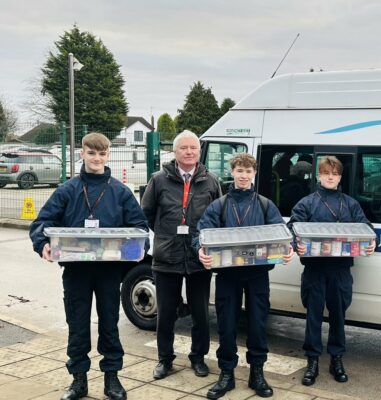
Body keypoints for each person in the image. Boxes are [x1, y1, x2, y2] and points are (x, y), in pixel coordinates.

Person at [29, 132, 149, 400]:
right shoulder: (67, 190)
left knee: (110, 324)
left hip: (109, 271)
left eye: (102, 153)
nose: (97, 158)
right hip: (76, 271)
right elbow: (41, 223)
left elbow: (140, 228)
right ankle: (79, 381)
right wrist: (42, 244)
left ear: (108, 156)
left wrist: (139, 250)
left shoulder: (120, 192)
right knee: (77, 324)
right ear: (82, 153)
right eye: (91, 153)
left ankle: (112, 379)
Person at [194, 153, 294, 399]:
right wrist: (200, 251)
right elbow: (201, 233)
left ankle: (257, 373)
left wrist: (286, 249)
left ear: (254, 174)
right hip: (228, 274)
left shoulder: (264, 204)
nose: (243, 176)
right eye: (240, 171)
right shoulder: (220, 205)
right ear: (233, 172)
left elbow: (280, 232)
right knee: (227, 324)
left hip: (258, 274)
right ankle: (226, 373)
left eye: (248, 172)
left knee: (258, 324)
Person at [288, 155, 376, 386]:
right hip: (315, 270)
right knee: (313, 316)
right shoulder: (307, 203)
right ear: (319, 174)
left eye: (335, 174)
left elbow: (366, 227)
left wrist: (372, 239)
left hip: (341, 270)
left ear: (340, 177)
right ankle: (312, 361)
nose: (330, 177)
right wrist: (295, 241)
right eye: (326, 173)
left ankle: (337, 358)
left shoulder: (351, 204)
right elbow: (292, 228)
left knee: (338, 316)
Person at [141, 130, 222, 380]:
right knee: (165, 314)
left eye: (193, 148)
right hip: (167, 258)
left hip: (199, 258)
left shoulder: (211, 181)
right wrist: (166, 236)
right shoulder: (158, 180)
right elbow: (147, 214)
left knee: (200, 313)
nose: (189, 152)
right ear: (175, 152)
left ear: (199, 152)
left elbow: (218, 216)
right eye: (184, 148)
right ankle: (165, 360)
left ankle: (198, 358)